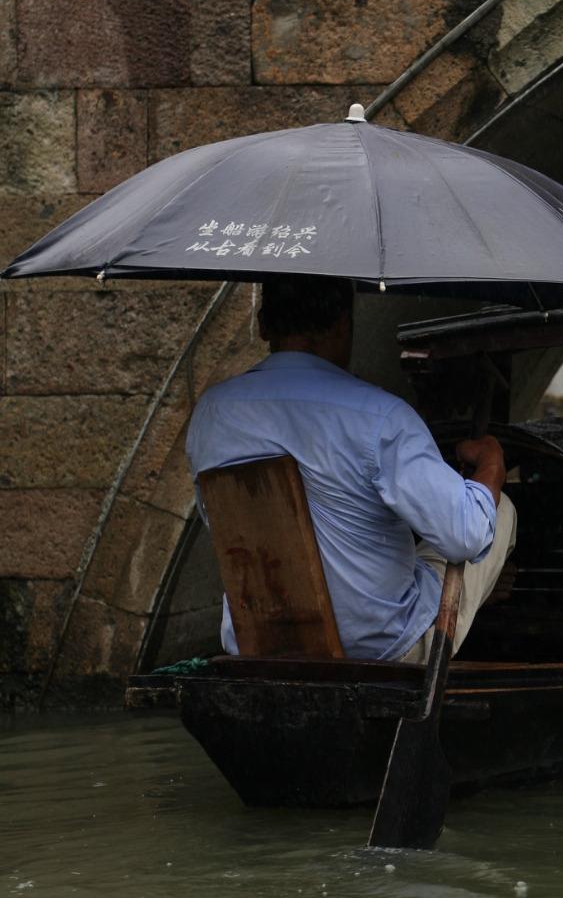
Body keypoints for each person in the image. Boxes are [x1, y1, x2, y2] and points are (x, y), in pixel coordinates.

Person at [185, 275, 517, 663]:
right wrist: (492, 464)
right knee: (497, 509)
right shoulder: (381, 417)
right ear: (344, 324)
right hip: (379, 650)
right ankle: (493, 597)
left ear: (262, 325)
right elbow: (464, 537)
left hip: (256, 644)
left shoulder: (211, 413)